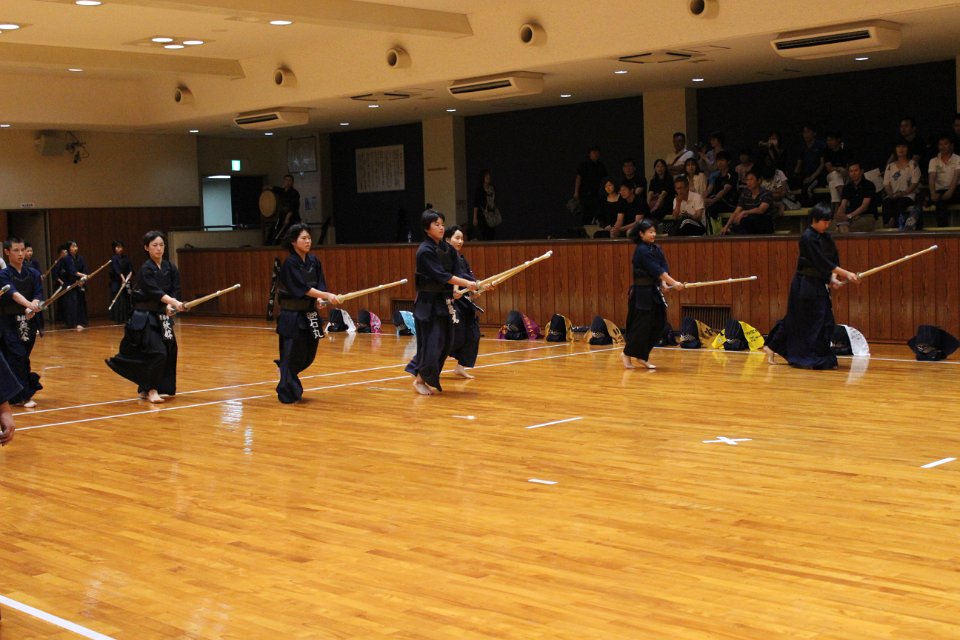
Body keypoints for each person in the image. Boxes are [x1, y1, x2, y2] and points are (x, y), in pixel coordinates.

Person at [764, 202, 860, 369]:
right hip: (804, 284)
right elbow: (821, 262)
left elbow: (833, 259)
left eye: (828, 222)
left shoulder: (827, 238)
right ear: (814, 220)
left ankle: (817, 355)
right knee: (797, 319)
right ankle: (775, 347)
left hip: (819, 284)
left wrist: (834, 278)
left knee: (824, 320)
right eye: (824, 221)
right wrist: (847, 274)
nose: (827, 225)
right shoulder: (807, 238)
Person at [105, 231, 185, 404]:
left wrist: (172, 306)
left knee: (170, 350)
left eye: (161, 245)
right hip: (146, 318)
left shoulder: (170, 267)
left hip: (163, 318)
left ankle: (146, 388)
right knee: (158, 352)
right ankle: (151, 389)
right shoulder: (145, 269)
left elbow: (175, 289)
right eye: (154, 245)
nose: (159, 248)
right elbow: (153, 292)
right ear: (146, 248)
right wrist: (171, 303)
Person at [404, 211, 479, 395]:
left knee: (445, 343)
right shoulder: (424, 251)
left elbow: (459, 272)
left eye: (442, 224)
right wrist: (467, 283)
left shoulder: (447, 249)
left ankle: (423, 377)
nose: (441, 227)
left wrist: (478, 285)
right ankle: (419, 380)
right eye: (436, 224)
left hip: (444, 302)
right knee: (433, 342)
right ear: (426, 228)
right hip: (428, 304)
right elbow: (442, 275)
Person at [273, 223, 340, 404]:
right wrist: (326, 295)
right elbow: (302, 288)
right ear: (293, 242)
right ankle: (287, 391)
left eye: (309, 238)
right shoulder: (290, 264)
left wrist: (321, 299)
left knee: (308, 354)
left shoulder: (314, 261)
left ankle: (284, 368)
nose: (308, 241)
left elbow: (319, 284)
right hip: (292, 316)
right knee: (292, 352)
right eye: (303, 238)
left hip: (309, 314)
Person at [622, 219, 683, 370]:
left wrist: (664, 284)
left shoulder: (656, 248)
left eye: (654, 231)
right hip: (641, 294)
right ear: (641, 234)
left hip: (653, 291)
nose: (653, 234)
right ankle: (627, 354)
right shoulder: (641, 250)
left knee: (659, 323)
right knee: (641, 325)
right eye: (650, 232)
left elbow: (663, 267)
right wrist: (674, 283)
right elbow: (656, 270)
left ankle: (642, 355)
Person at [0, 237, 43, 408]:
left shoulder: (33, 273)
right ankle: (22, 396)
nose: (20, 254)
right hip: (8, 323)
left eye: (22, 250)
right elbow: (13, 293)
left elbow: (38, 293)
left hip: (28, 322)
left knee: (23, 357)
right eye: (16, 250)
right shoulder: (3, 275)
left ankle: (13, 393)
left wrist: (34, 306)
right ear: (7, 252)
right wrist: (29, 305)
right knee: (17, 356)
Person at [444, 225, 481, 379]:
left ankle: (460, 367)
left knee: (473, 334)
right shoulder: (445, 257)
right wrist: (456, 289)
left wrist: (479, 287)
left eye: (462, 238)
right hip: (450, 302)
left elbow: (470, 278)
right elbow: (451, 277)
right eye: (457, 238)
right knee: (453, 336)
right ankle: (426, 365)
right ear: (448, 239)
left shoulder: (461, 259)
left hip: (463, 301)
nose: (460, 241)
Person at [721, 169, 774, 235]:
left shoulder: (766, 193)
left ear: (759, 180)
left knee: (749, 219)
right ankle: (733, 230)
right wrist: (726, 226)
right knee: (745, 221)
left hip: (765, 223)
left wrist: (744, 212)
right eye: (747, 180)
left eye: (751, 179)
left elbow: (761, 210)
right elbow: (736, 212)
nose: (748, 182)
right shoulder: (745, 193)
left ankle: (735, 230)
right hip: (749, 223)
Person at [881, 142, 921, 229]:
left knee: (900, 203)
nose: (901, 149)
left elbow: (915, 183)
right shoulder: (890, 166)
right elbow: (886, 183)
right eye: (898, 147)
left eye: (903, 146)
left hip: (908, 195)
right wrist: (891, 194)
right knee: (886, 202)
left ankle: (894, 222)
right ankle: (887, 225)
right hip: (893, 195)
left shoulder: (913, 165)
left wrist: (903, 193)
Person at [835, 160, 878, 233]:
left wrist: (848, 216)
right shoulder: (847, 187)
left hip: (867, 216)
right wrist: (840, 214)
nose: (853, 173)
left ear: (861, 171)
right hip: (852, 217)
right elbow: (843, 205)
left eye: (856, 170)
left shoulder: (869, 185)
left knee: (847, 229)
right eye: (851, 171)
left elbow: (864, 207)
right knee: (839, 227)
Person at [928, 133, 960, 227]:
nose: (943, 147)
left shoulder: (958, 159)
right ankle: (942, 228)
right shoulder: (933, 161)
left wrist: (950, 191)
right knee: (939, 201)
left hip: (956, 189)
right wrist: (932, 192)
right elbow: (932, 177)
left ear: (951, 145)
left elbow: (956, 176)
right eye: (940, 144)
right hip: (940, 190)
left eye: (945, 144)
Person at [791, 123, 826, 205]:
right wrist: (794, 177)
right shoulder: (802, 147)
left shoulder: (820, 145)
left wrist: (812, 177)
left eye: (808, 132)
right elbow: (798, 165)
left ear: (814, 133)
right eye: (804, 132)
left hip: (818, 176)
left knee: (806, 189)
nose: (806, 134)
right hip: (805, 175)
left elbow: (822, 164)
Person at [573, 146, 607, 226]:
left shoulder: (601, 165)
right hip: (586, 193)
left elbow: (605, 178)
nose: (596, 154)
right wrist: (576, 192)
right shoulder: (584, 164)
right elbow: (578, 178)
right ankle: (586, 230)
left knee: (598, 213)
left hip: (598, 193)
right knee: (587, 213)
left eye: (597, 152)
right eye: (594, 152)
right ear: (589, 154)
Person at [265, 174, 301, 244]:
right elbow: (275, 189)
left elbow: (293, 206)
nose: (288, 182)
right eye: (286, 180)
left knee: (291, 234)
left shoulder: (294, 193)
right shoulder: (282, 191)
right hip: (282, 216)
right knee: (275, 231)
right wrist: (268, 187)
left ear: (292, 182)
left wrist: (287, 217)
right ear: (283, 181)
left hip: (292, 217)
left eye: (289, 180)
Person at [60, 240, 88, 330]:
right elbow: (72, 271)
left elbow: (85, 269)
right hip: (70, 283)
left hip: (80, 283)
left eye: (76, 246)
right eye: (72, 246)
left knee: (80, 302)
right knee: (72, 303)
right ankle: (73, 322)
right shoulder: (67, 258)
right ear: (69, 248)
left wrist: (83, 279)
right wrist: (83, 276)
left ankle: (81, 321)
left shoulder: (81, 258)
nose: (75, 248)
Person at [108, 240, 134, 323]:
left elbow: (131, 269)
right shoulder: (113, 258)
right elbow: (117, 270)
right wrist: (122, 278)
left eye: (121, 247)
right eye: (117, 247)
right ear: (114, 248)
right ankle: (118, 319)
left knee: (126, 299)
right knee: (119, 299)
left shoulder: (126, 258)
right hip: (117, 281)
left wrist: (127, 278)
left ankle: (127, 317)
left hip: (126, 281)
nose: (120, 249)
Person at [472, 168, 501, 241]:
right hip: (482, 215)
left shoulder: (492, 188)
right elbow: (476, 204)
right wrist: (475, 217)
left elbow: (494, 200)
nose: (488, 177)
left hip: (491, 214)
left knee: (491, 234)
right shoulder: (479, 189)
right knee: (484, 234)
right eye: (486, 176)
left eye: (489, 175)